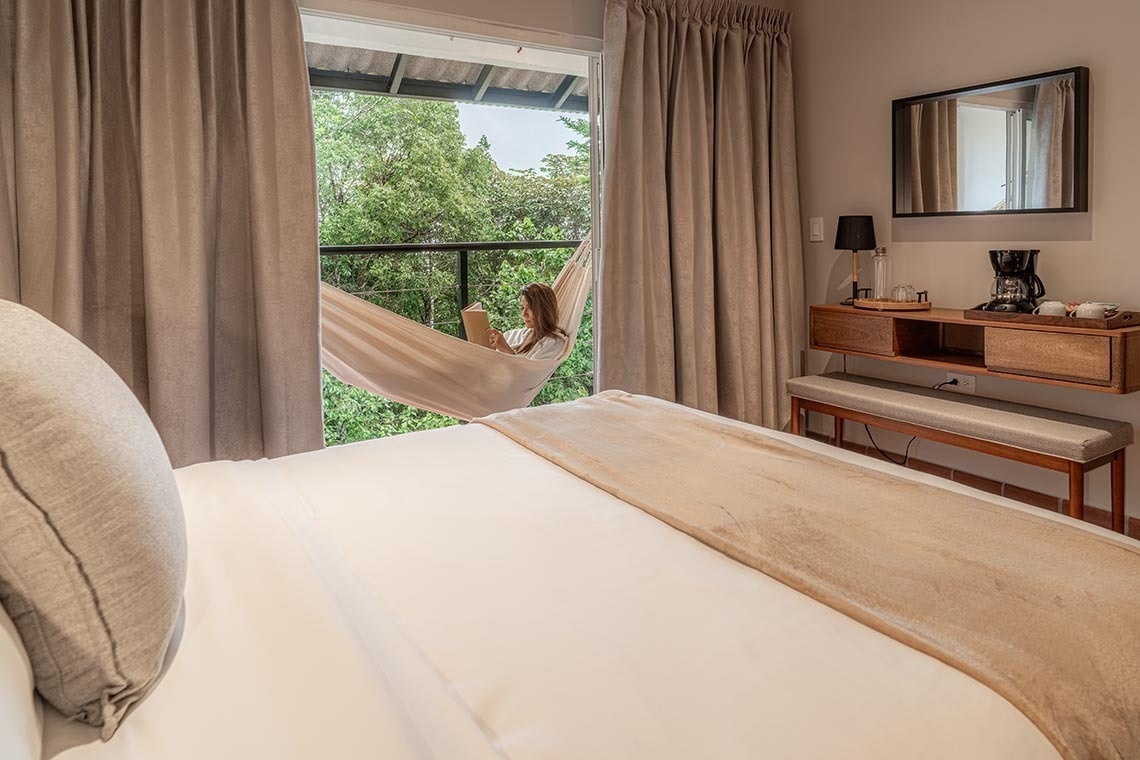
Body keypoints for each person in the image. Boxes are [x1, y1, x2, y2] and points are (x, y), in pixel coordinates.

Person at [486, 282, 568, 360]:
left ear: (544, 310)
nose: (524, 314)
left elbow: (528, 373)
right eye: (522, 308)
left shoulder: (553, 343)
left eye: (530, 308)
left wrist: (507, 351)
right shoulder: (515, 335)